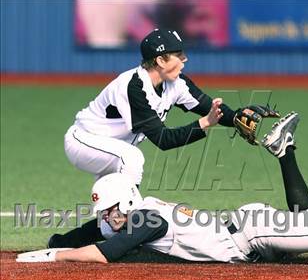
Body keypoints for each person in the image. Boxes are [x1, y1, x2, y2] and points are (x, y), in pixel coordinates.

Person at [18, 112, 308, 263]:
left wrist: (57, 258)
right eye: (105, 213)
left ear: (126, 202)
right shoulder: (131, 213)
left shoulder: (144, 219)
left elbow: (108, 252)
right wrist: (56, 241)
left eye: (110, 211)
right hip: (247, 230)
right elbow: (89, 233)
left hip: (250, 234)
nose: (108, 218)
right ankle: (284, 151)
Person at [65, 29, 239, 187]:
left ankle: (125, 217)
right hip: (84, 141)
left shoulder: (178, 84)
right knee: (132, 159)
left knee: (112, 212)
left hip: (114, 149)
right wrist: (205, 122)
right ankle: (131, 217)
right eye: (178, 54)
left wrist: (239, 116)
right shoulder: (133, 87)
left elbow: (214, 108)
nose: (184, 59)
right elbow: (164, 139)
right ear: (161, 60)